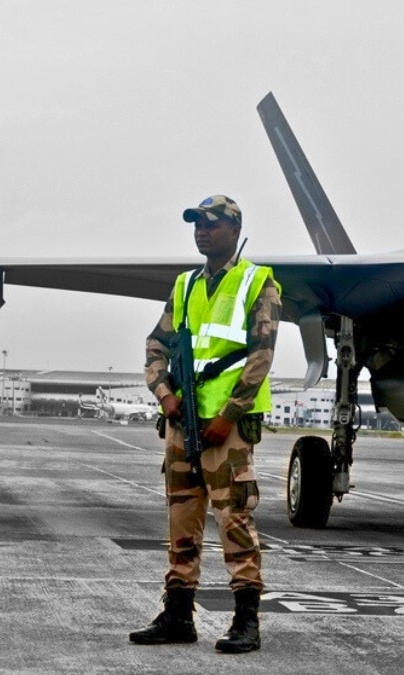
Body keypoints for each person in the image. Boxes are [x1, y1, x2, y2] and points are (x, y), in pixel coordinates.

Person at [130, 195, 281, 653]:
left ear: (234, 230)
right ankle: (178, 614)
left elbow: (261, 355)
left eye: (211, 224)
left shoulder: (257, 282)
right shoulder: (185, 285)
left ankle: (246, 620)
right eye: (197, 224)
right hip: (183, 419)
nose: (202, 231)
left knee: (234, 518)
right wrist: (164, 394)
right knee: (182, 516)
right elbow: (156, 344)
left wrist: (228, 415)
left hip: (226, 426)